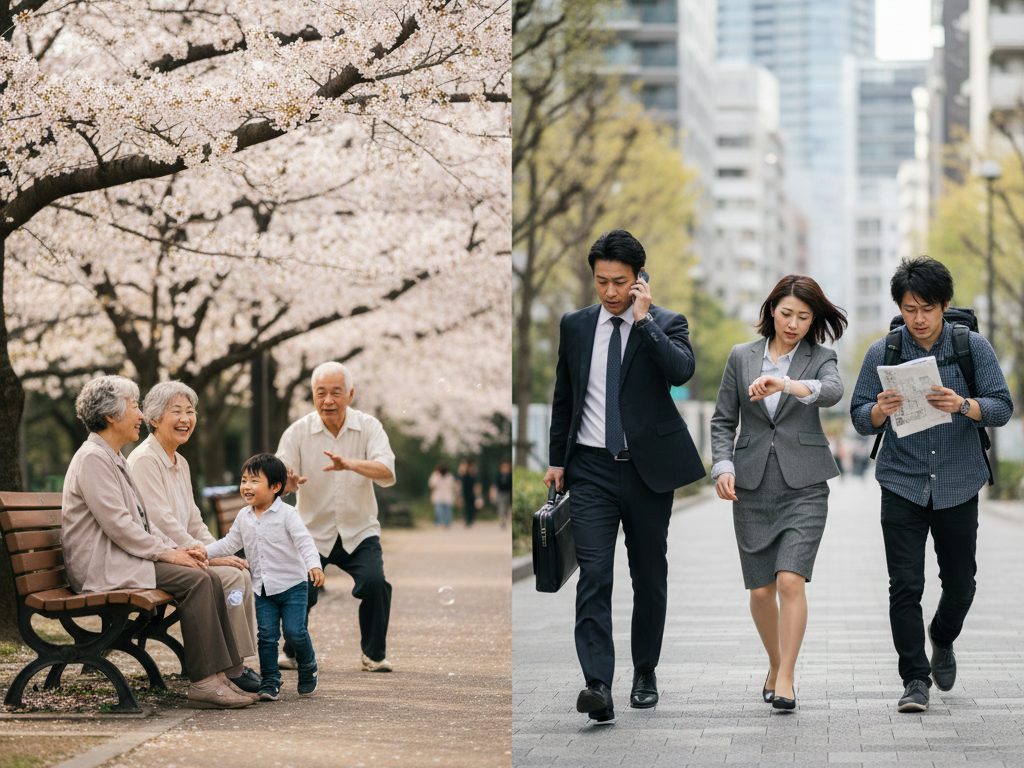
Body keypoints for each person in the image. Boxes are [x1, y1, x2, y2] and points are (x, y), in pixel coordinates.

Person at [544, 229, 705, 725]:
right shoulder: (574, 326)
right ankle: (596, 684)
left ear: (639, 281)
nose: (610, 292)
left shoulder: (666, 322)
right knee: (594, 574)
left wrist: (644, 323)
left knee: (649, 576)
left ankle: (645, 673)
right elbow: (564, 397)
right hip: (589, 468)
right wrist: (556, 460)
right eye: (601, 282)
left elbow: (681, 372)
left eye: (620, 282)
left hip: (647, 473)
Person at [850, 256, 1013, 713]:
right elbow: (860, 417)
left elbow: (1002, 407)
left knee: (961, 584)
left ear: (944, 305)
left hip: (959, 482)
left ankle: (942, 637)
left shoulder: (972, 347)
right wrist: (880, 409)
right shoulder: (883, 351)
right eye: (909, 309)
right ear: (899, 308)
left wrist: (963, 405)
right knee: (905, 585)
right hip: (901, 481)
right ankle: (914, 680)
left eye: (927, 308)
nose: (918, 319)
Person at [61, 375, 254, 709]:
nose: (139, 415)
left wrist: (179, 551)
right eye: (135, 406)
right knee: (196, 579)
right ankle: (205, 681)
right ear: (110, 415)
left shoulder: (113, 457)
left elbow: (142, 523)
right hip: (102, 567)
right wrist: (170, 553)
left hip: (121, 558)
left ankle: (220, 674)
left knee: (202, 574)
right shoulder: (94, 458)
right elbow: (120, 527)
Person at [710, 275, 848, 712]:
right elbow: (721, 420)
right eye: (787, 313)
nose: (794, 324)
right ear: (772, 310)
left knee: (790, 579)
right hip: (751, 483)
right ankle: (775, 661)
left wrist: (785, 384)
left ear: (813, 321)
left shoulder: (821, 358)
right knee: (760, 591)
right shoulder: (740, 357)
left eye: (804, 317)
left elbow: (833, 393)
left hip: (805, 484)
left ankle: (786, 678)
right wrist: (723, 465)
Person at [126, 381, 261, 694]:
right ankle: (233, 667)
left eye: (190, 411)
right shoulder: (145, 460)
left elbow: (193, 520)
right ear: (154, 418)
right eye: (177, 411)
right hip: (162, 556)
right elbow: (164, 523)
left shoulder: (180, 461)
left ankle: (236, 661)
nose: (186, 418)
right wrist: (210, 556)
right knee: (228, 577)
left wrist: (216, 548)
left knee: (237, 572)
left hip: (184, 552)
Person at [276, 361, 397, 672]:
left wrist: (351, 464)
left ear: (351, 394)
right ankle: (291, 649)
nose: (328, 400)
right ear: (313, 396)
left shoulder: (369, 427)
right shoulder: (297, 432)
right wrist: (286, 484)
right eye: (321, 393)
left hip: (359, 529)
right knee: (300, 587)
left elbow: (387, 471)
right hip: (311, 531)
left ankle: (373, 655)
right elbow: (276, 478)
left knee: (374, 583)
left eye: (336, 393)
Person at [204, 454, 325, 701]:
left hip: (293, 586)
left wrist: (314, 565)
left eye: (254, 481)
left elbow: (304, 541)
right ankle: (270, 681)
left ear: (275, 487)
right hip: (263, 589)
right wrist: (203, 552)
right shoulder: (244, 516)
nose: (246, 486)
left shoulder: (288, 514)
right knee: (267, 636)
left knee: (295, 632)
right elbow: (230, 543)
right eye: (244, 480)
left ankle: (308, 665)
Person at [427, 463, 458, 527]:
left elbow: (453, 486)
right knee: (439, 511)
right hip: (438, 496)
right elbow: (431, 486)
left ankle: (446, 524)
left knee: (448, 512)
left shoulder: (449, 476)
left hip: (447, 496)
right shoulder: (435, 475)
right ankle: (440, 523)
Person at [458, 459, 481, 527]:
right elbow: (460, 478)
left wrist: (478, 494)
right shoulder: (464, 474)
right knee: (467, 507)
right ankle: (467, 520)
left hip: (472, 492)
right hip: (465, 492)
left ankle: (471, 519)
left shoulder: (473, 473)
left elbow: (476, 483)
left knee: (472, 507)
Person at [491, 458, 512, 529]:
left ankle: (505, 519)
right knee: (501, 508)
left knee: (506, 509)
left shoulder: (510, 475)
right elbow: (494, 485)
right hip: (500, 494)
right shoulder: (498, 475)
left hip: (508, 494)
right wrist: (493, 494)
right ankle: (502, 521)